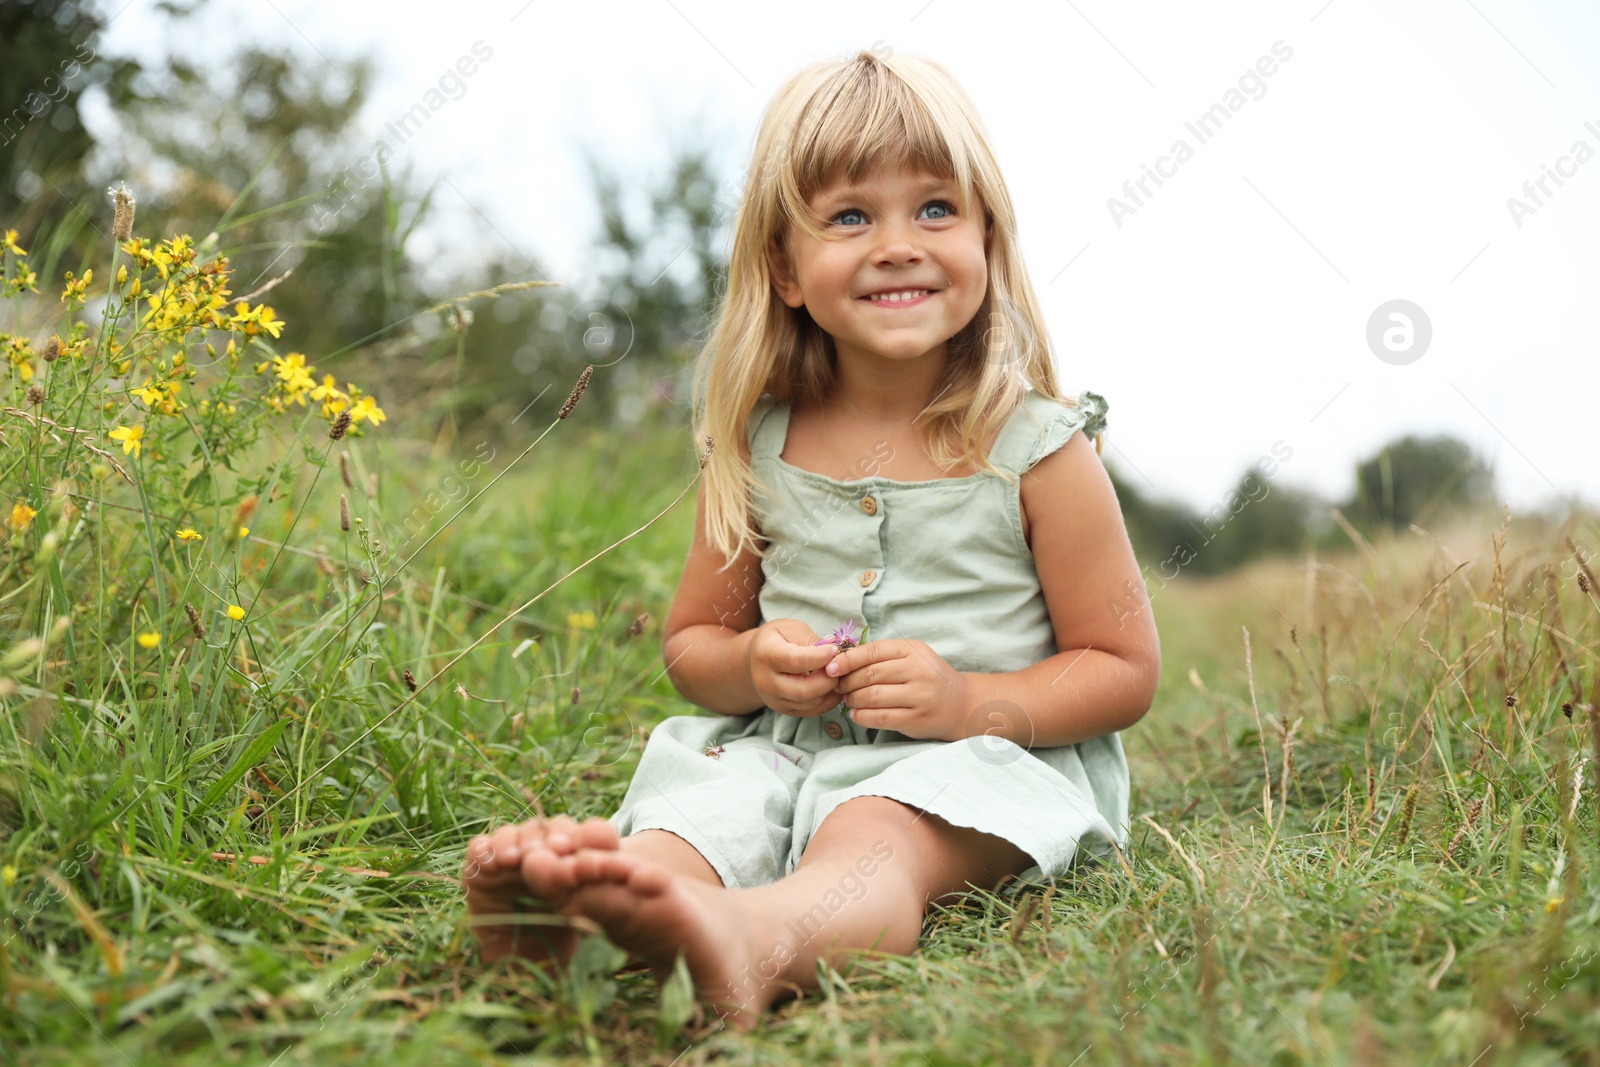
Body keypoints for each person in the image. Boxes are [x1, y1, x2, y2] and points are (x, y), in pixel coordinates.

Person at [460, 47, 1161, 1029]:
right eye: (848, 216)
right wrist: (752, 661)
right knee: (699, 814)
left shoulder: (1039, 449)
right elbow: (693, 649)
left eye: (934, 208)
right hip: (785, 748)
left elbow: (1120, 666)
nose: (896, 244)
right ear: (785, 270)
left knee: (874, 837)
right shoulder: (759, 443)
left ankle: (758, 940)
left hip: (975, 765)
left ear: (989, 241)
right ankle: (586, 915)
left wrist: (965, 699)